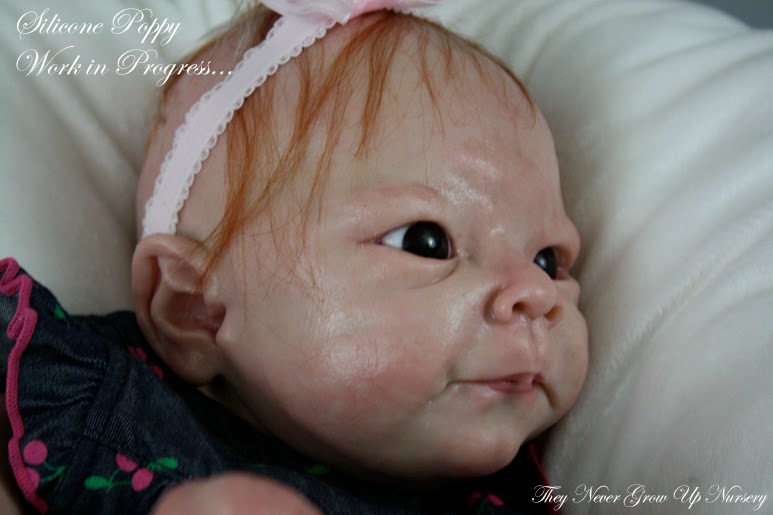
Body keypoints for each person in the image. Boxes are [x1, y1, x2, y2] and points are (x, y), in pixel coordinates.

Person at [1, 0, 588, 512]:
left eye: (547, 259)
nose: (534, 293)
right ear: (194, 308)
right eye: (425, 241)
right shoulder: (106, 416)